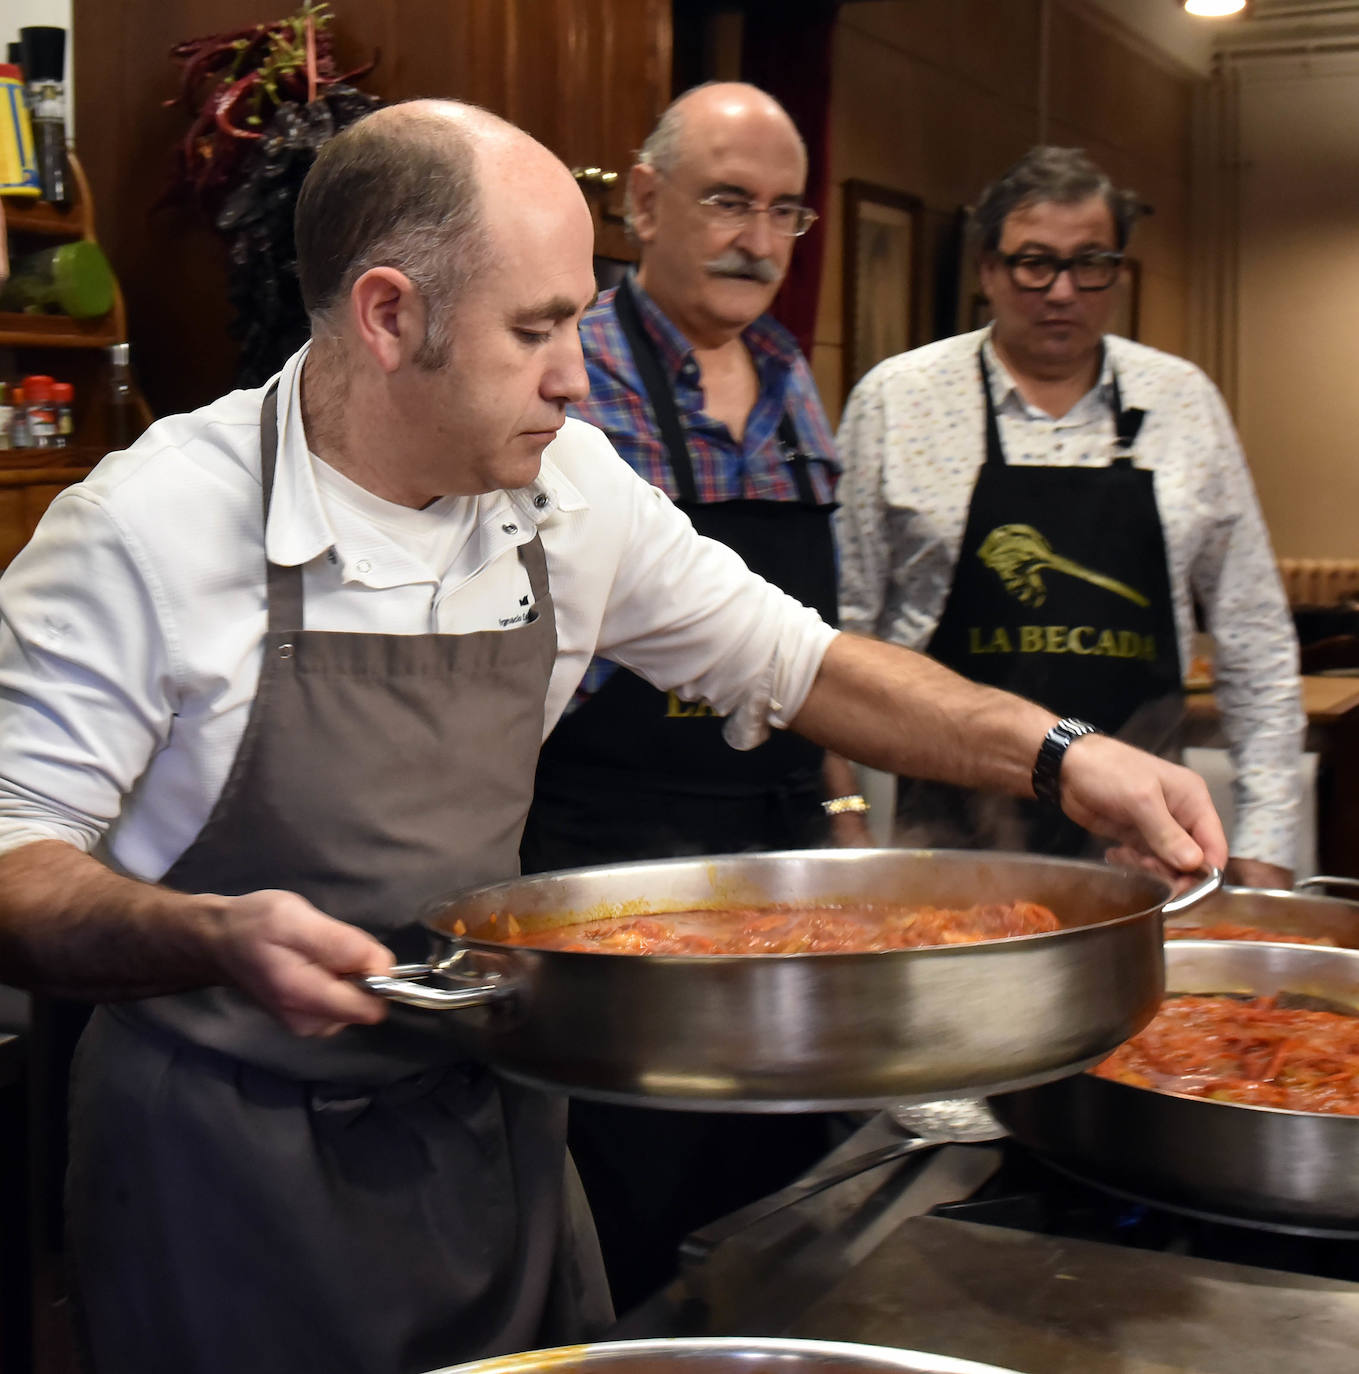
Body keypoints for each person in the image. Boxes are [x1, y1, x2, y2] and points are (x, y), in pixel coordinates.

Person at [0, 105, 1224, 1374]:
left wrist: (1064, 750)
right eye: (534, 330)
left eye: (580, 318)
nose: (576, 376)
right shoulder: (148, 528)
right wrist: (210, 934)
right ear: (388, 315)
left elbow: (800, 662)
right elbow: (12, 862)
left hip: (490, 1131)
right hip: (224, 1168)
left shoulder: (568, 489)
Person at [518, 81, 862, 1311]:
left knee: (785, 1215)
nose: (758, 240)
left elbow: (811, 641)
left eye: (785, 212)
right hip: (611, 862)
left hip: (777, 859)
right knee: (631, 1223)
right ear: (646, 202)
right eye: (727, 201)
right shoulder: (572, 367)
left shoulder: (791, 378)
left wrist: (845, 818)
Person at [835, 146, 1303, 889]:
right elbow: (836, 632)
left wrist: (1268, 839)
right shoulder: (898, 401)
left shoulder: (1183, 404)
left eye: (1090, 263)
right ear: (987, 269)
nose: (1061, 291)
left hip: (1148, 844)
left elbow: (1254, 639)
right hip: (948, 848)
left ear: (1116, 271)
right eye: (1032, 263)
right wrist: (844, 814)